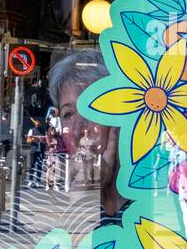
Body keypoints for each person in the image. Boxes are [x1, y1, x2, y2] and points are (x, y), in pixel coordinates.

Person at [47, 50, 134, 227]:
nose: (78, 130)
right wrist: (85, 188)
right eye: (68, 114)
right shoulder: (71, 202)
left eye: (91, 110)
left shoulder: (149, 203)